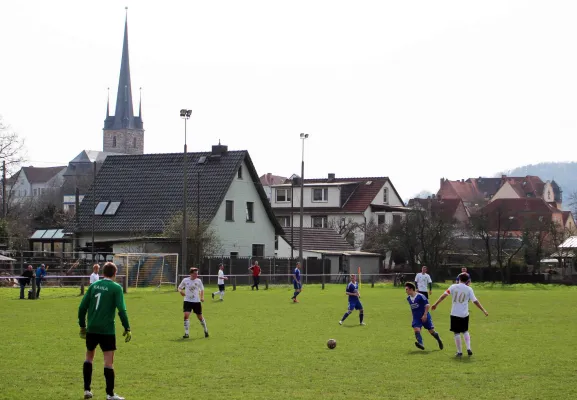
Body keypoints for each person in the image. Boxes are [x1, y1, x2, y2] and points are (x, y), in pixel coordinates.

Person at [78, 262, 131, 400]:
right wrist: (127, 327)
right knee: (108, 362)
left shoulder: (94, 286)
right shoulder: (116, 288)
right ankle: (110, 394)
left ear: (103, 273)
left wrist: (82, 326)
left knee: (89, 358)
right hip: (107, 330)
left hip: (92, 328)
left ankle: (87, 390)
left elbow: (82, 308)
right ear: (115, 273)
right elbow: (122, 310)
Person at [431, 273, 488, 357]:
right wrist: (483, 310)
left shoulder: (453, 286)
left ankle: (459, 352)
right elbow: (475, 301)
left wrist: (436, 304)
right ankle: (469, 348)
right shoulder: (469, 289)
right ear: (467, 280)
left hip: (455, 313)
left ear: (459, 279)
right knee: (465, 331)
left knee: (456, 333)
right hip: (464, 314)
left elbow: (444, 296)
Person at [405, 282, 443, 350]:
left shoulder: (420, 296)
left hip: (424, 315)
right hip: (416, 317)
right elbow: (412, 308)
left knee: (431, 331)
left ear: (411, 289)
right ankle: (420, 344)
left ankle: (438, 339)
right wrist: (412, 316)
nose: (406, 291)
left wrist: (425, 315)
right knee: (416, 329)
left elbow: (427, 305)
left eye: (406, 289)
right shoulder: (408, 298)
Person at [178, 267, 208, 339]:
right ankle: (186, 333)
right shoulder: (185, 280)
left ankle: (206, 330)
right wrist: (181, 291)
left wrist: (202, 297)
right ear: (191, 273)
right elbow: (179, 287)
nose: (196, 275)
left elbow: (202, 289)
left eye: (197, 274)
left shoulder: (198, 281)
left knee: (200, 317)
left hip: (196, 301)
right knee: (186, 315)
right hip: (187, 300)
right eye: (195, 274)